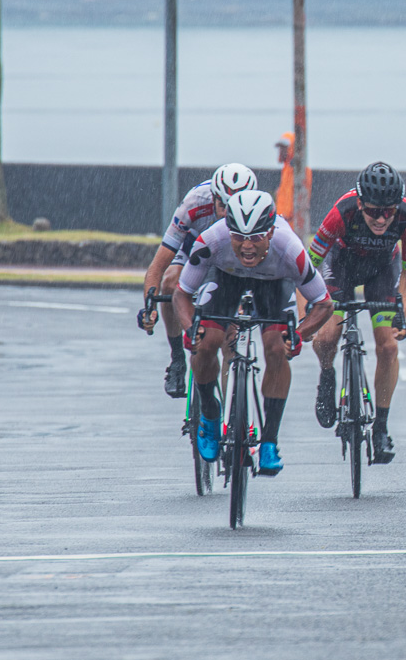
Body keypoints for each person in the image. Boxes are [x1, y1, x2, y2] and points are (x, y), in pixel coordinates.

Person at [174, 191, 334, 474]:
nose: (247, 246)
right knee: (205, 342)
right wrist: (189, 330)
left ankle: (269, 441)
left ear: (271, 232)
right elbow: (181, 294)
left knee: (276, 349)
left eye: (256, 237)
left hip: (273, 283)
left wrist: (299, 334)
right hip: (225, 277)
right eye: (239, 237)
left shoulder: (290, 249)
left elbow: (323, 304)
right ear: (228, 230)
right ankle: (210, 417)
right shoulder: (211, 240)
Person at [307, 161, 406, 462]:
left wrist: (401, 314)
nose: (382, 219)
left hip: (380, 270)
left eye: (388, 211)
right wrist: (310, 307)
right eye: (373, 211)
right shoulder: (341, 213)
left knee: (388, 347)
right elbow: (308, 266)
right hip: (340, 265)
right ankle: (328, 374)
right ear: (360, 203)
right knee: (328, 335)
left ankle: (381, 427)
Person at [137, 163, 258, 397]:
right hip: (194, 247)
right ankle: (177, 359)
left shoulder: (257, 211)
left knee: (230, 336)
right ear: (213, 197)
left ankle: (228, 418)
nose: (226, 214)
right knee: (170, 282)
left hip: (232, 256)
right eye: (222, 205)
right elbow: (158, 267)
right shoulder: (194, 203)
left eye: (233, 208)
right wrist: (149, 308)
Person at [274, 132, 313, 226]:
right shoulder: (286, 169)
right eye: (281, 148)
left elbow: (302, 199)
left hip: (294, 223)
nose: (281, 151)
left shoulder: (301, 171)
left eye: (284, 147)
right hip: (282, 222)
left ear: (292, 148)